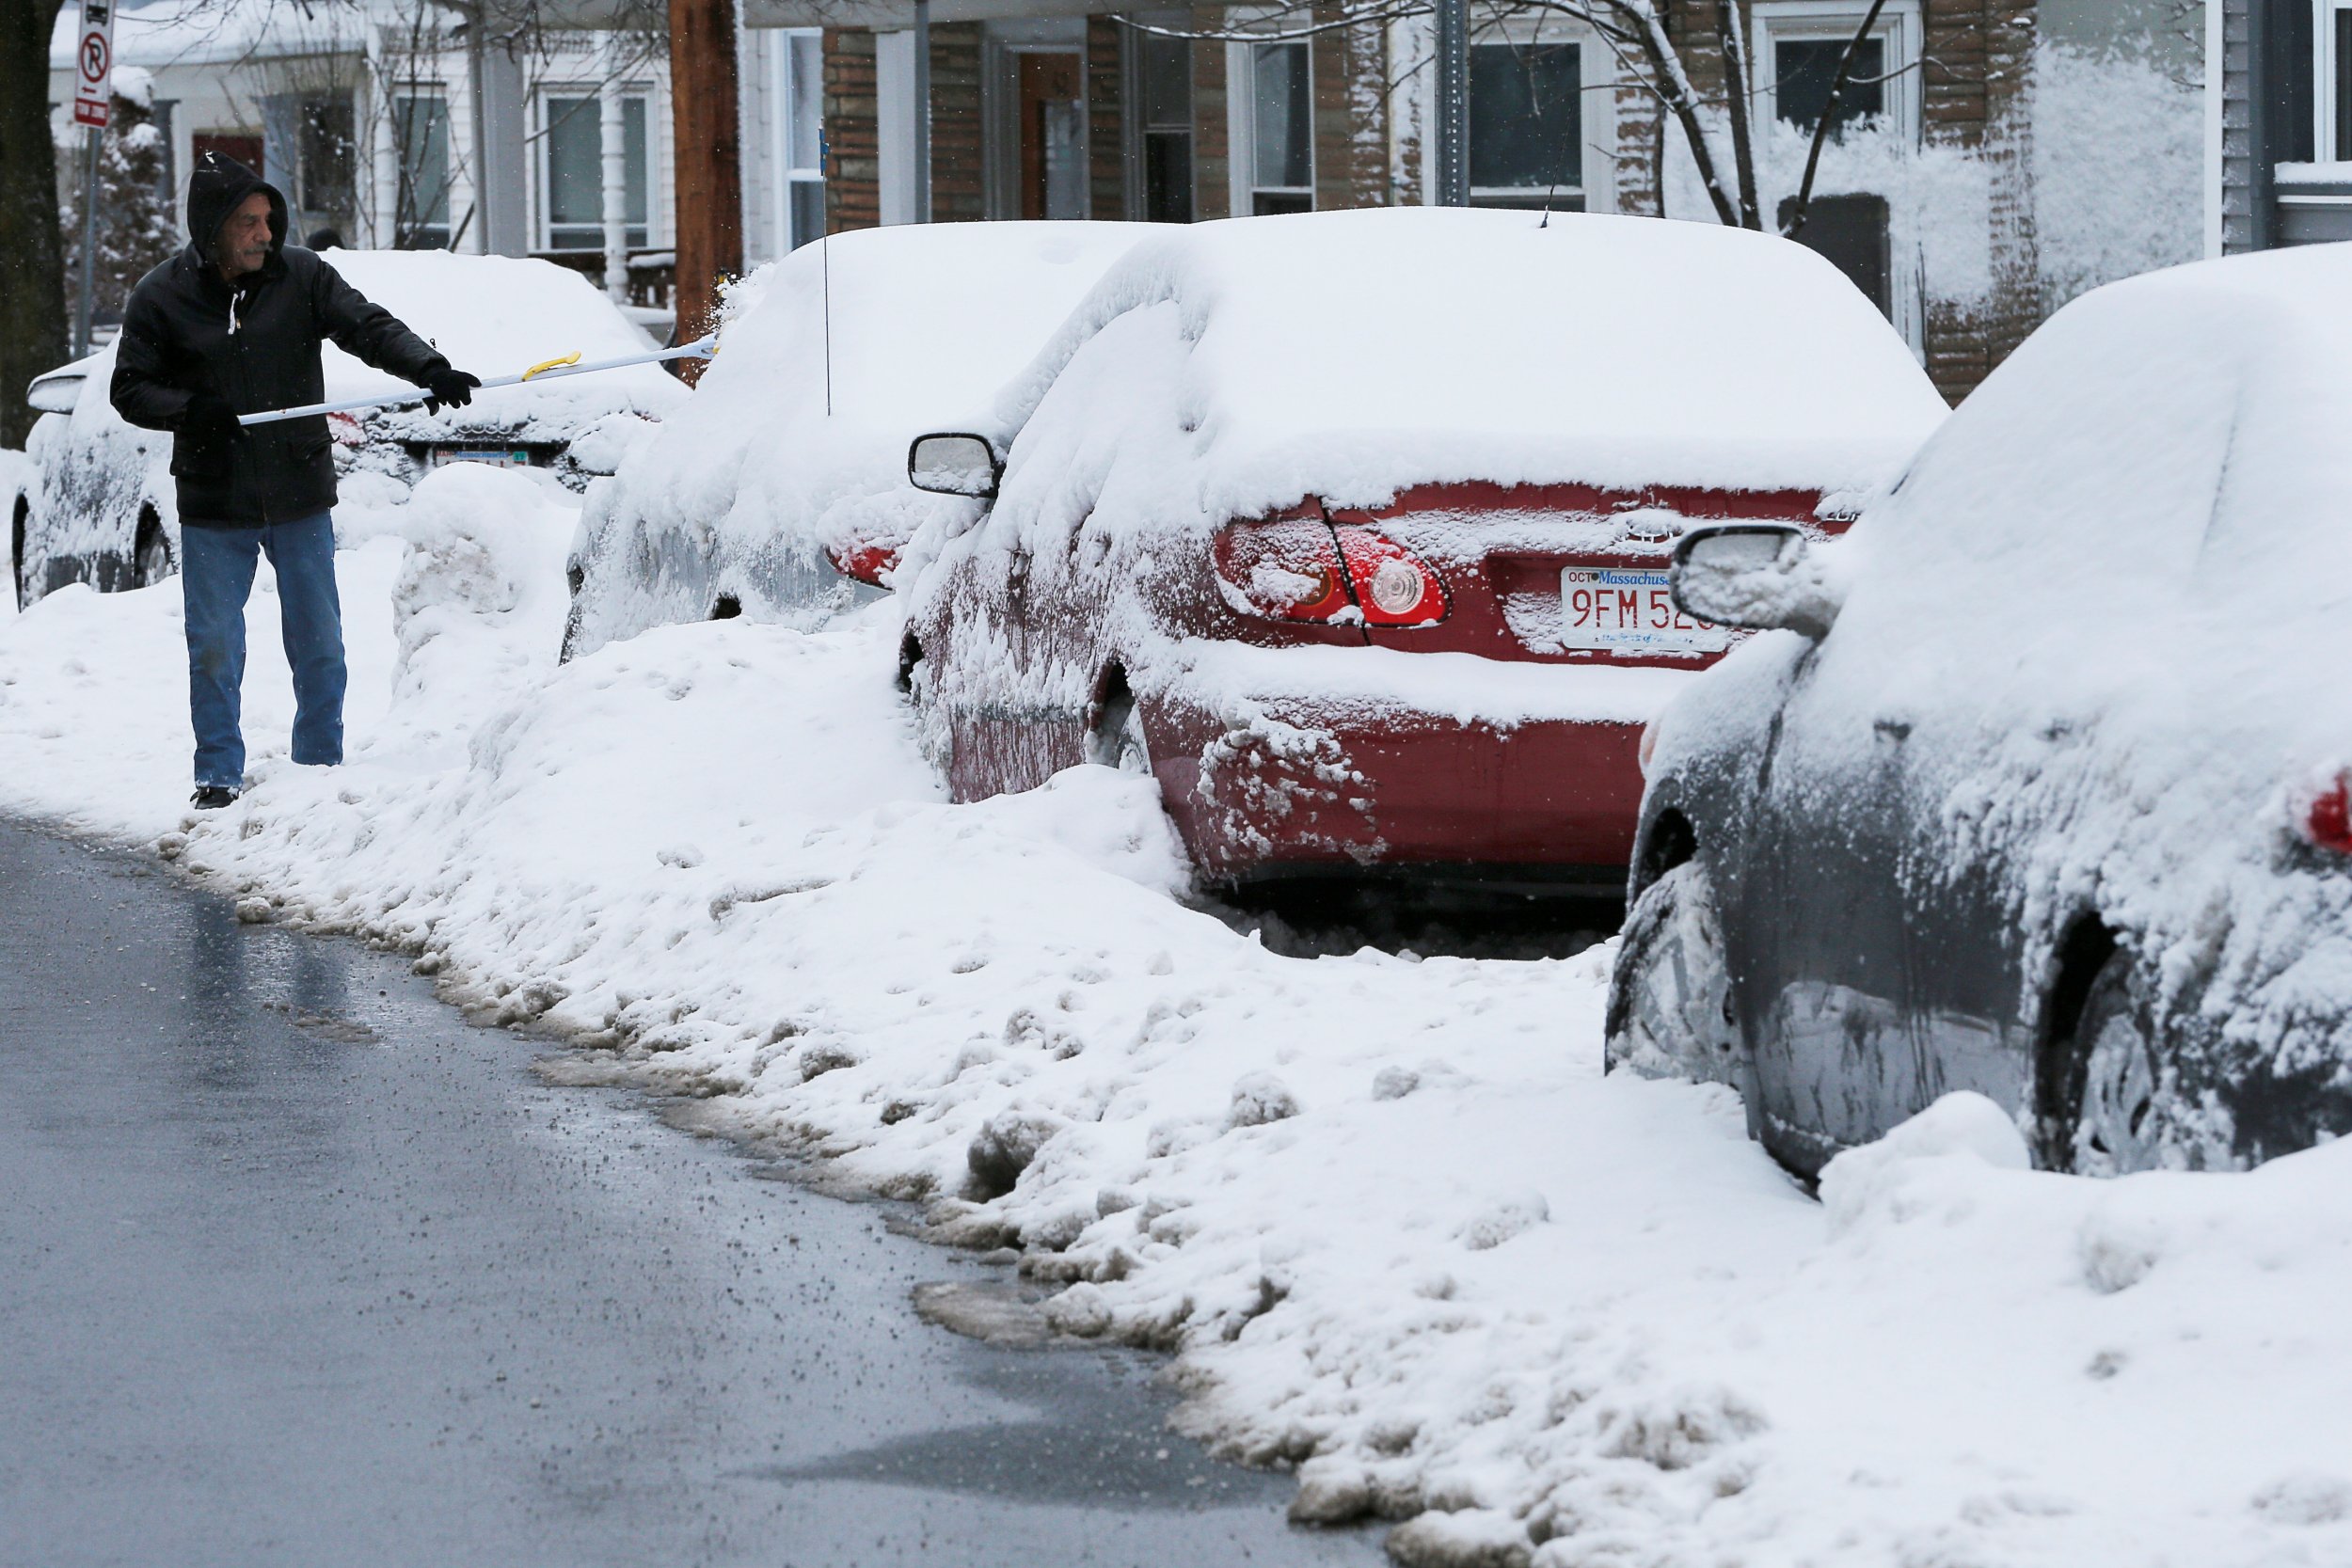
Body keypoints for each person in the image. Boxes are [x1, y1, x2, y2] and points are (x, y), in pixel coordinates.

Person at [112, 152, 480, 810]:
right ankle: (218, 775)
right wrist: (191, 411)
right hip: (213, 495)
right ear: (214, 228)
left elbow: (367, 326)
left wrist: (428, 366)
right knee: (216, 645)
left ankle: (317, 766)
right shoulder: (162, 296)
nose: (264, 234)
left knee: (319, 642)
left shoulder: (301, 276)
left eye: (268, 220)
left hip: (298, 487)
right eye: (249, 223)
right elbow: (130, 388)